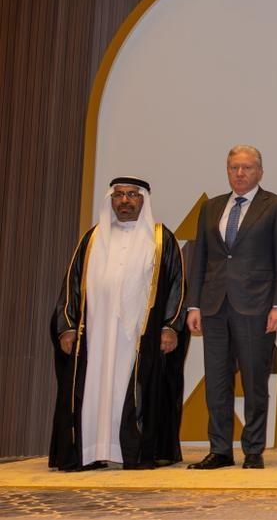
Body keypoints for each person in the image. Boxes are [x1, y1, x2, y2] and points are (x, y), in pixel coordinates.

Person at [50, 177, 187, 471]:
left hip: (138, 336)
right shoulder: (92, 239)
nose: (125, 200)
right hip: (95, 333)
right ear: (111, 200)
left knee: (130, 389)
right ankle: (92, 451)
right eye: (119, 195)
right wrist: (68, 326)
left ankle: (131, 452)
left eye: (132, 195)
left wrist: (170, 327)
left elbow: (177, 284)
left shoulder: (160, 239)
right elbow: (72, 284)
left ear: (144, 200)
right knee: (93, 388)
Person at [186, 145, 277, 470]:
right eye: (234, 167)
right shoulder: (211, 207)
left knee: (254, 381)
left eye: (247, 167)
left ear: (259, 171)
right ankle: (220, 450)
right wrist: (194, 305)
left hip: (257, 307)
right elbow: (200, 259)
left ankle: (253, 450)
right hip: (214, 306)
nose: (240, 173)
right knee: (217, 382)